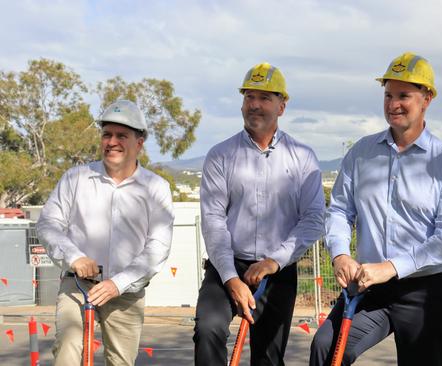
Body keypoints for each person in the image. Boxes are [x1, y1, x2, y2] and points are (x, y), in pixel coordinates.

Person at [310, 52, 442, 366]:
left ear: (427, 99)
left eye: (403, 96)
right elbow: (341, 210)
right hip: (372, 288)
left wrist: (392, 267)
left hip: (429, 289)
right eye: (388, 95)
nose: (393, 103)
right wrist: (340, 253)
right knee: (327, 348)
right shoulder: (361, 153)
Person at [194, 62, 325, 365]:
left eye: (264, 98)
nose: (254, 105)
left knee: (268, 357)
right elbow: (213, 221)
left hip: (278, 271)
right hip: (227, 266)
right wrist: (231, 278)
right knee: (208, 330)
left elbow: (314, 219)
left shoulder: (303, 157)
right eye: (249, 97)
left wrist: (274, 261)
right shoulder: (220, 155)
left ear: (282, 105)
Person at [37, 99, 175, 365]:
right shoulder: (75, 178)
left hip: (127, 290)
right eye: (107, 135)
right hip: (77, 284)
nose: (112, 142)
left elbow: (158, 246)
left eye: (122, 135)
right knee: (68, 348)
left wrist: (118, 283)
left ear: (139, 143)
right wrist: (74, 257)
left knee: (121, 361)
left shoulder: (156, 188)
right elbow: (48, 223)